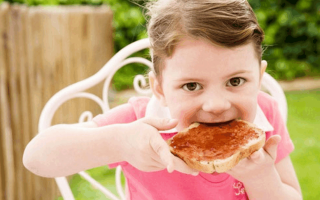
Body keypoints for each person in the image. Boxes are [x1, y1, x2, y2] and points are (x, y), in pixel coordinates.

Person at [23, 0, 302, 199]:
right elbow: (37, 157)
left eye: (236, 81)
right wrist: (119, 141)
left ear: (259, 75)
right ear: (159, 88)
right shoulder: (140, 125)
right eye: (192, 85)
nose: (217, 104)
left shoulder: (266, 115)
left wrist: (260, 177)